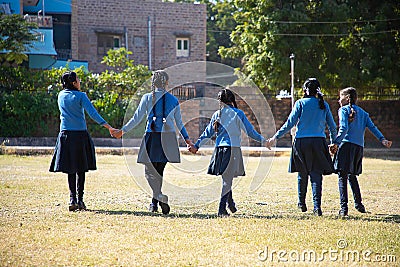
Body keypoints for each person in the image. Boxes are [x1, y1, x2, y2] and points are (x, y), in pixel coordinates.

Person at [113, 70, 195, 215]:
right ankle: (155, 202)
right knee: (159, 171)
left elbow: (136, 118)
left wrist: (122, 131)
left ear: (153, 83)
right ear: (167, 83)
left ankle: (157, 198)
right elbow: (179, 123)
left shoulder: (146, 98)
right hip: (168, 138)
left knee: (149, 172)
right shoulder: (173, 100)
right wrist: (187, 140)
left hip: (152, 137)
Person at [189, 89, 269, 217]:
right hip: (232, 150)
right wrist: (264, 141)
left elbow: (207, 133)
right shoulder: (238, 113)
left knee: (226, 178)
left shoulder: (217, 114)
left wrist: (197, 145)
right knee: (228, 181)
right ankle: (221, 209)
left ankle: (230, 204)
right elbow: (250, 132)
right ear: (232, 100)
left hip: (220, 150)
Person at [266, 78, 337, 216]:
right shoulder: (324, 105)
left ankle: (302, 202)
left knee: (302, 173)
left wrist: (275, 137)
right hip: (318, 141)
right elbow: (332, 126)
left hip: (301, 142)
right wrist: (334, 142)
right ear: (318, 91)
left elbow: (289, 123)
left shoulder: (300, 103)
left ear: (305, 90)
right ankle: (317, 207)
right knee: (316, 175)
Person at [49, 71, 117, 211]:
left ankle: (72, 199)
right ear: (74, 83)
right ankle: (80, 200)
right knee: (81, 168)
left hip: (65, 135)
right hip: (80, 135)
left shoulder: (60, 95)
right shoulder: (81, 96)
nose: (80, 82)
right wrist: (108, 126)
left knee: (70, 169)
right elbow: (93, 113)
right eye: (78, 80)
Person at [329, 87, 392, 216]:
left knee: (342, 176)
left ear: (346, 98)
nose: (338, 100)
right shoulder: (363, 113)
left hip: (346, 146)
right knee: (352, 176)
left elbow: (344, 129)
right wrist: (383, 139)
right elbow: (372, 127)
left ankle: (343, 208)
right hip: (358, 147)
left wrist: (336, 142)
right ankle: (359, 204)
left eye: (340, 97)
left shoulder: (343, 110)